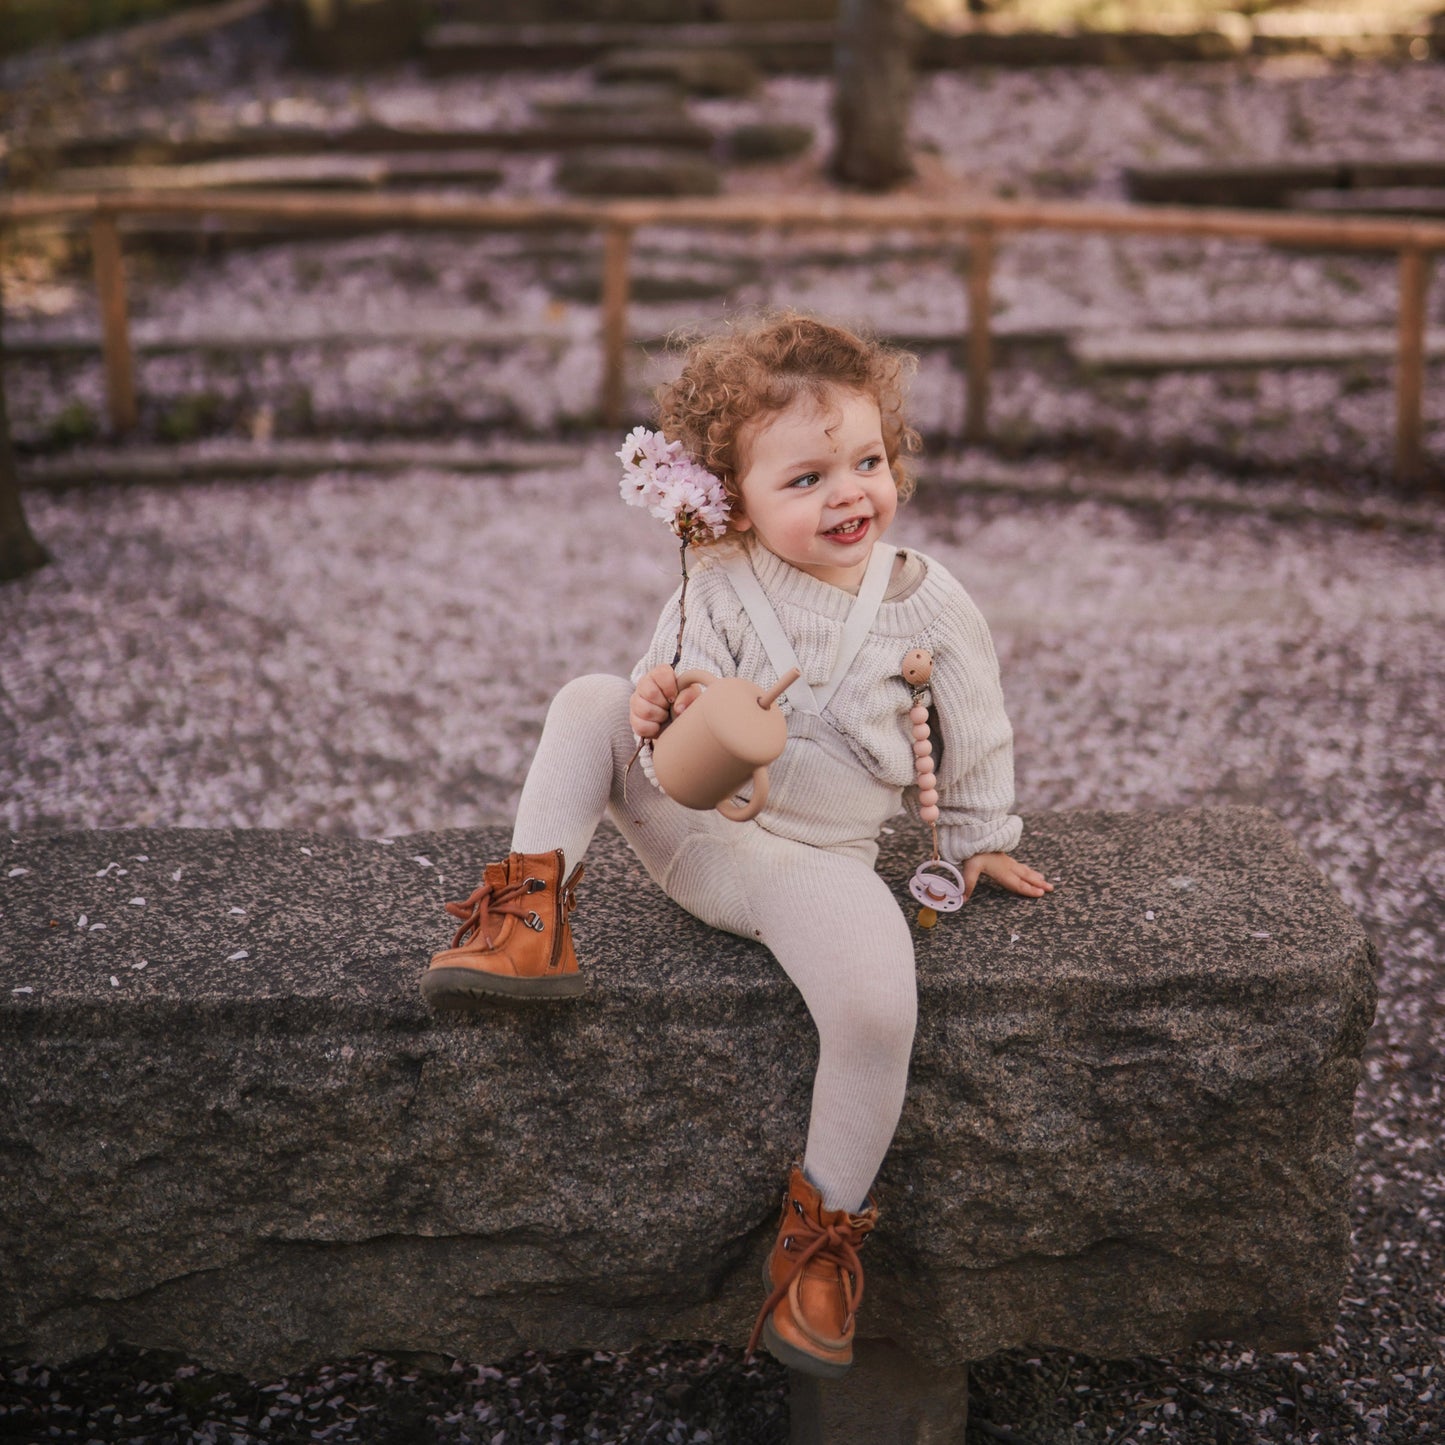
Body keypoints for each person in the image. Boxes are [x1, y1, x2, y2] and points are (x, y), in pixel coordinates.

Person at [420, 311, 1052, 1378]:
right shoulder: (716, 575)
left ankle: (816, 1239)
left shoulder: (929, 603)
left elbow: (974, 724)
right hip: (688, 825)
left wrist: (981, 834)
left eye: (865, 460)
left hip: (811, 867)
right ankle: (531, 910)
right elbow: (654, 710)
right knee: (588, 699)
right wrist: (655, 701)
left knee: (875, 1003)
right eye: (804, 479)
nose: (848, 490)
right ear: (734, 497)